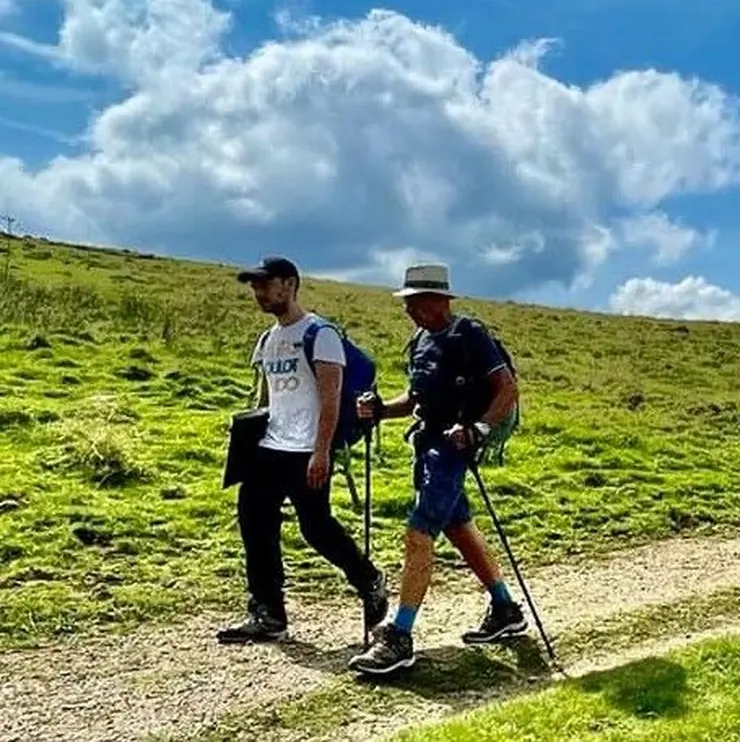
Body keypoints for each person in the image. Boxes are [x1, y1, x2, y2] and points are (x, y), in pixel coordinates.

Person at [347, 263, 527, 675]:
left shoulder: (471, 335)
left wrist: (479, 429)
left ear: (440, 301)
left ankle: (399, 636)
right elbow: (413, 400)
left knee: (419, 530)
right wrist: (377, 410)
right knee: (458, 526)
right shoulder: (420, 340)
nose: (409, 310)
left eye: (415, 302)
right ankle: (505, 609)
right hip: (427, 444)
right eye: (407, 303)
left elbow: (507, 390)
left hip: (452, 447)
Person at [217, 256, 389, 644]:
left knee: (316, 528)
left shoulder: (320, 333)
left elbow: (330, 399)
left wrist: (322, 452)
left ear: (290, 284)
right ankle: (267, 613)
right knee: (255, 524)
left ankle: (369, 580)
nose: (259, 293)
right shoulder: (269, 339)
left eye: (266, 284)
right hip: (269, 448)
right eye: (255, 286)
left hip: (307, 449)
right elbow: (266, 398)